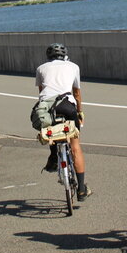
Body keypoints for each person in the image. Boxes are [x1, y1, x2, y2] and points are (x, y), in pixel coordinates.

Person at [35, 42, 91, 201]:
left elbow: (42, 93)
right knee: (75, 146)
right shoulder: (73, 67)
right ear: (65, 55)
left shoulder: (41, 68)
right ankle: (81, 189)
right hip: (68, 106)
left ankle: (53, 156)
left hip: (48, 108)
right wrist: (79, 111)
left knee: (51, 129)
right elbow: (77, 93)